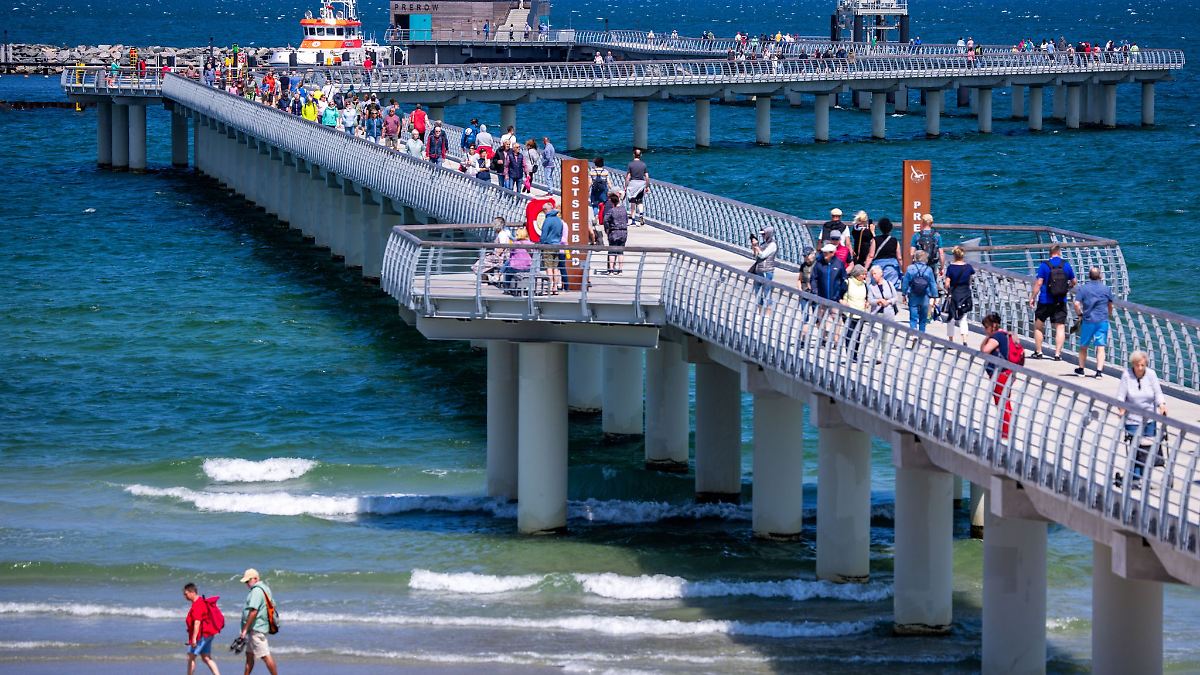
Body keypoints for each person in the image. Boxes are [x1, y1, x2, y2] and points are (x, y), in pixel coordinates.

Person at [1114, 351, 1168, 488]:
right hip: (1132, 419)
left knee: (1147, 450)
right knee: (1135, 449)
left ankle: (1141, 477)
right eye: (1137, 365)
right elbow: (1121, 396)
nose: (1140, 368)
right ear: (1133, 364)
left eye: (1142, 365)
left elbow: (1157, 393)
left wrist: (1162, 406)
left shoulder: (1151, 375)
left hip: (1149, 418)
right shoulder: (1127, 375)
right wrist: (1121, 409)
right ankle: (1135, 477)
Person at [1028, 243, 1076, 360]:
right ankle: (1057, 354)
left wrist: (1032, 297)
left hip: (1045, 300)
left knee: (1039, 325)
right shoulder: (1066, 265)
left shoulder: (1044, 265)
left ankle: (1039, 352)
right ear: (1059, 253)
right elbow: (1074, 281)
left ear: (1050, 253)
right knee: (1060, 327)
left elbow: (1039, 283)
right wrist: (1066, 288)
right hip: (1060, 300)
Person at [979, 312, 1020, 440]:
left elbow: (984, 350)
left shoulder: (997, 336)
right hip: (1008, 373)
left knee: (1002, 402)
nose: (985, 330)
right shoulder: (1006, 335)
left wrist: (987, 338)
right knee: (1005, 401)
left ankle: (1006, 433)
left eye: (986, 327)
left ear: (993, 325)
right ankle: (1006, 429)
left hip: (1000, 374)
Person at [1074, 266, 1114, 377]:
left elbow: (1076, 304)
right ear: (1100, 276)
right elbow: (1110, 304)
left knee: (1083, 346)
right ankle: (1099, 372)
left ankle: (1081, 369)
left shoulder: (1083, 288)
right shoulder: (1106, 289)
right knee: (1100, 346)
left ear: (1089, 276)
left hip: (1088, 320)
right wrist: (1109, 314)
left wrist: (1079, 314)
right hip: (1102, 320)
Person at [238, 569, 279, 675]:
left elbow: (254, 611)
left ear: (256, 579)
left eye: (248, 581)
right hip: (257, 628)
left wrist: (244, 630)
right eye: (246, 582)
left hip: (256, 629)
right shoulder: (265, 588)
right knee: (249, 657)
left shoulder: (256, 591)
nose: (247, 584)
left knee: (265, 656)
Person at [183, 583, 222, 675]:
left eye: (186, 594)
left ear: (192, 592)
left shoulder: (198, 604)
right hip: (208, 634)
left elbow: (197, 622)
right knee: (206, 657)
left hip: (202, 635)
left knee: (191, 657)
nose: (185, 596)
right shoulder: (201, 601)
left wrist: (194, 638)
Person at [943, 246, 975, 345]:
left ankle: (951, 340)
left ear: (954, 256)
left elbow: (947, 283)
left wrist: (947, 289)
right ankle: (964, 339)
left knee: (951, 317)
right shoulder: (968, 267)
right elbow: (970, 280)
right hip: (965, 293)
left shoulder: (951, 268)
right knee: (963, 317)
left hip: (954, 294)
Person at [902, 250, 939, 333]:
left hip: (913, 293)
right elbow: (932, 283)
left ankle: (913, 330)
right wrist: (935, 296)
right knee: (923, 317)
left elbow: (905, 282)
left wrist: (904, 294)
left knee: (913, 315)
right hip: (925, 295)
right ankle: (922, 333)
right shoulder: (929, 269)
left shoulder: (910, 268)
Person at [840, 264, 869, 360]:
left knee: (858, 335)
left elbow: (867, 296)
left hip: (860, 313)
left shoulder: (864, 284)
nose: (864, 276)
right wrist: (842, 301)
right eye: (863, 274)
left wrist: (867, 302)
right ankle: (849, 354)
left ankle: (855, 355)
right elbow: (839, 295)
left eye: (865, 274)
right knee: (849, 334)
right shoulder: (847, 282)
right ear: (857, 274)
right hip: (849, 314)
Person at [749, 226, 778, 314]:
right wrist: (754, 247)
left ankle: (768, 315)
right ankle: (760, 313)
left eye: (764, 234)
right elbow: (756, 256)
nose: (762, 236)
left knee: (767, 293)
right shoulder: (763, 244)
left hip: (767, 271)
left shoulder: (773, 245)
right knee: (758, 293)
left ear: (768, 234)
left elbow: (763, 255)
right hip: (758, 270)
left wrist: (757, 248)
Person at [539, 204, 565, 293]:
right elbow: (561, 234)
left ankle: (549, 287)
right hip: (557, 245)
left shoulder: (548, 220)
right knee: (555, 268)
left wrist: (541, 244)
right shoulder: (558, 220)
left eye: (543, 210)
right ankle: (555, 287)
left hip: (548, 245)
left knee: (548, 268)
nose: (543, 212)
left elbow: (544, 235)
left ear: (546, 210)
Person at [870, 217, 902, 286]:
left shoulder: (875, 240)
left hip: (878, 267)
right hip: (892, 268)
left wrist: (865, 268)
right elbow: (899, 257)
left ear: (880, 228)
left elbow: (871, 256)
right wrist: (902, 269)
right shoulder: (895, 240)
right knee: (891, 288)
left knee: (877, 287)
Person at [603, 192, 628, 274]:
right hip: (623, 231)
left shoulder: (611, 211)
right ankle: (620, 270)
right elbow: (626, 220)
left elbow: (605, 220)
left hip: (614, 231)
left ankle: (611, 269)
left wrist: (607, 229)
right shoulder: (624, 210)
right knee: (620, 252)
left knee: (612, 251)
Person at [625, 149, 650, 226]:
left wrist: (626, 186)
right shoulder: (643, 164)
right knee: (639, 201)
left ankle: (633, 220)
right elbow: (647, 177)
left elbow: (628, 177)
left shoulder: (630, 164)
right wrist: (647, 186)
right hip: (641, 184)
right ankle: (641, 215)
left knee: (632, 202)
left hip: (633, 184)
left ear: (633, 155)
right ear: (641, 155)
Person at [589, 157, 611, 223]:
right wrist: (611, 189)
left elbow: (590, 182)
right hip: (603, 190)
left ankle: (596, 215)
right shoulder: (605, 172)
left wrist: (587, 190)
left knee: (595, 204)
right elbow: (609, 182)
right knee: (604, 203)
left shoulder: (592, 172)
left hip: (594, 190)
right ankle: (602, 217)